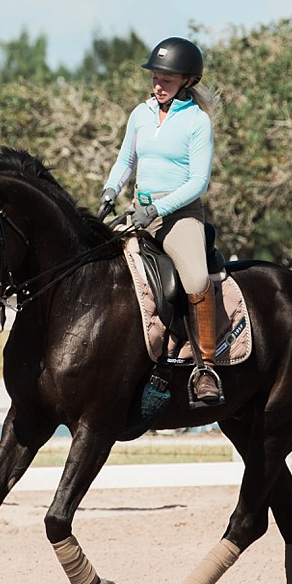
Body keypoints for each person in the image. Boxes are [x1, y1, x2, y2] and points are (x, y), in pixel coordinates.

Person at [98, 36, 224, 407]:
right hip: (139, 212)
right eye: (155, 77)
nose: (158, 84)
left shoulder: (198, 122)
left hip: (179, 217)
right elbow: (126, 161)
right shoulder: (140, 113)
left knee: (197, 279)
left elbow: (198, 182)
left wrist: (157, 210)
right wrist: (109, 189)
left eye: (166, 79)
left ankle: (206, 369)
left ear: (188, 80)